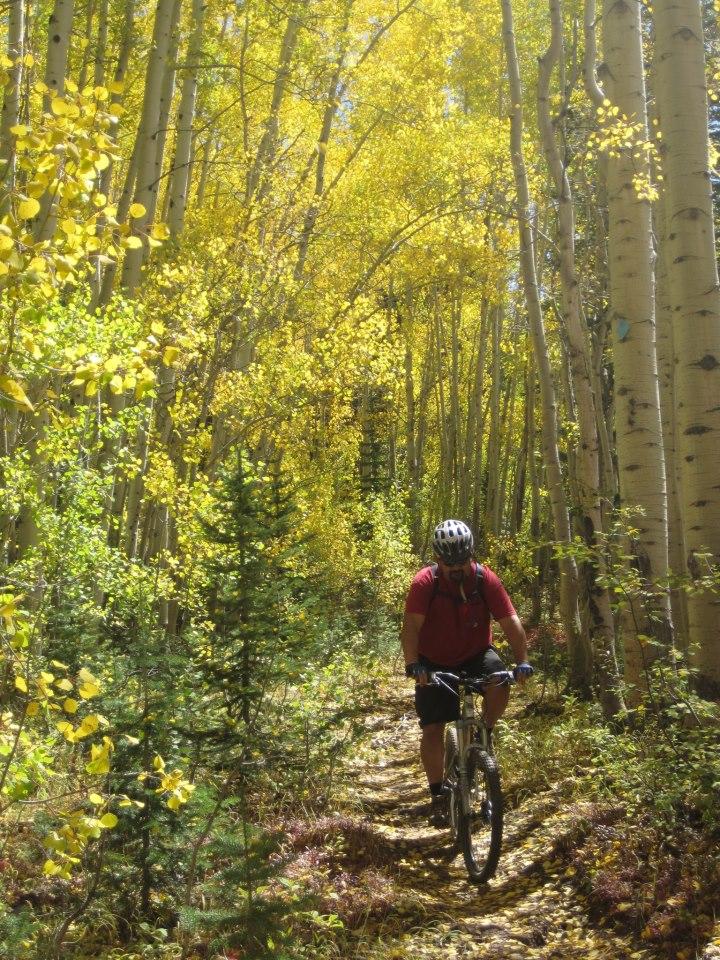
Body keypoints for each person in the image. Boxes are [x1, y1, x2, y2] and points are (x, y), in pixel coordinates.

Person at [400, 519, 533, 826]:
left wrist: (522, 660)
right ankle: (436, 795)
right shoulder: (425, 583)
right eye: (449, 563)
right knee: (433, 727)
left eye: (462, 561)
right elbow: (411, 628)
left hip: (476, 653)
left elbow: (511, 622)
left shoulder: (485, 580)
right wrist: (413, 665)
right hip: (432, 660)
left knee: (499, 680)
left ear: (471, 554)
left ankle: (484, 730)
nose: (456, 568)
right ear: (438, 559)